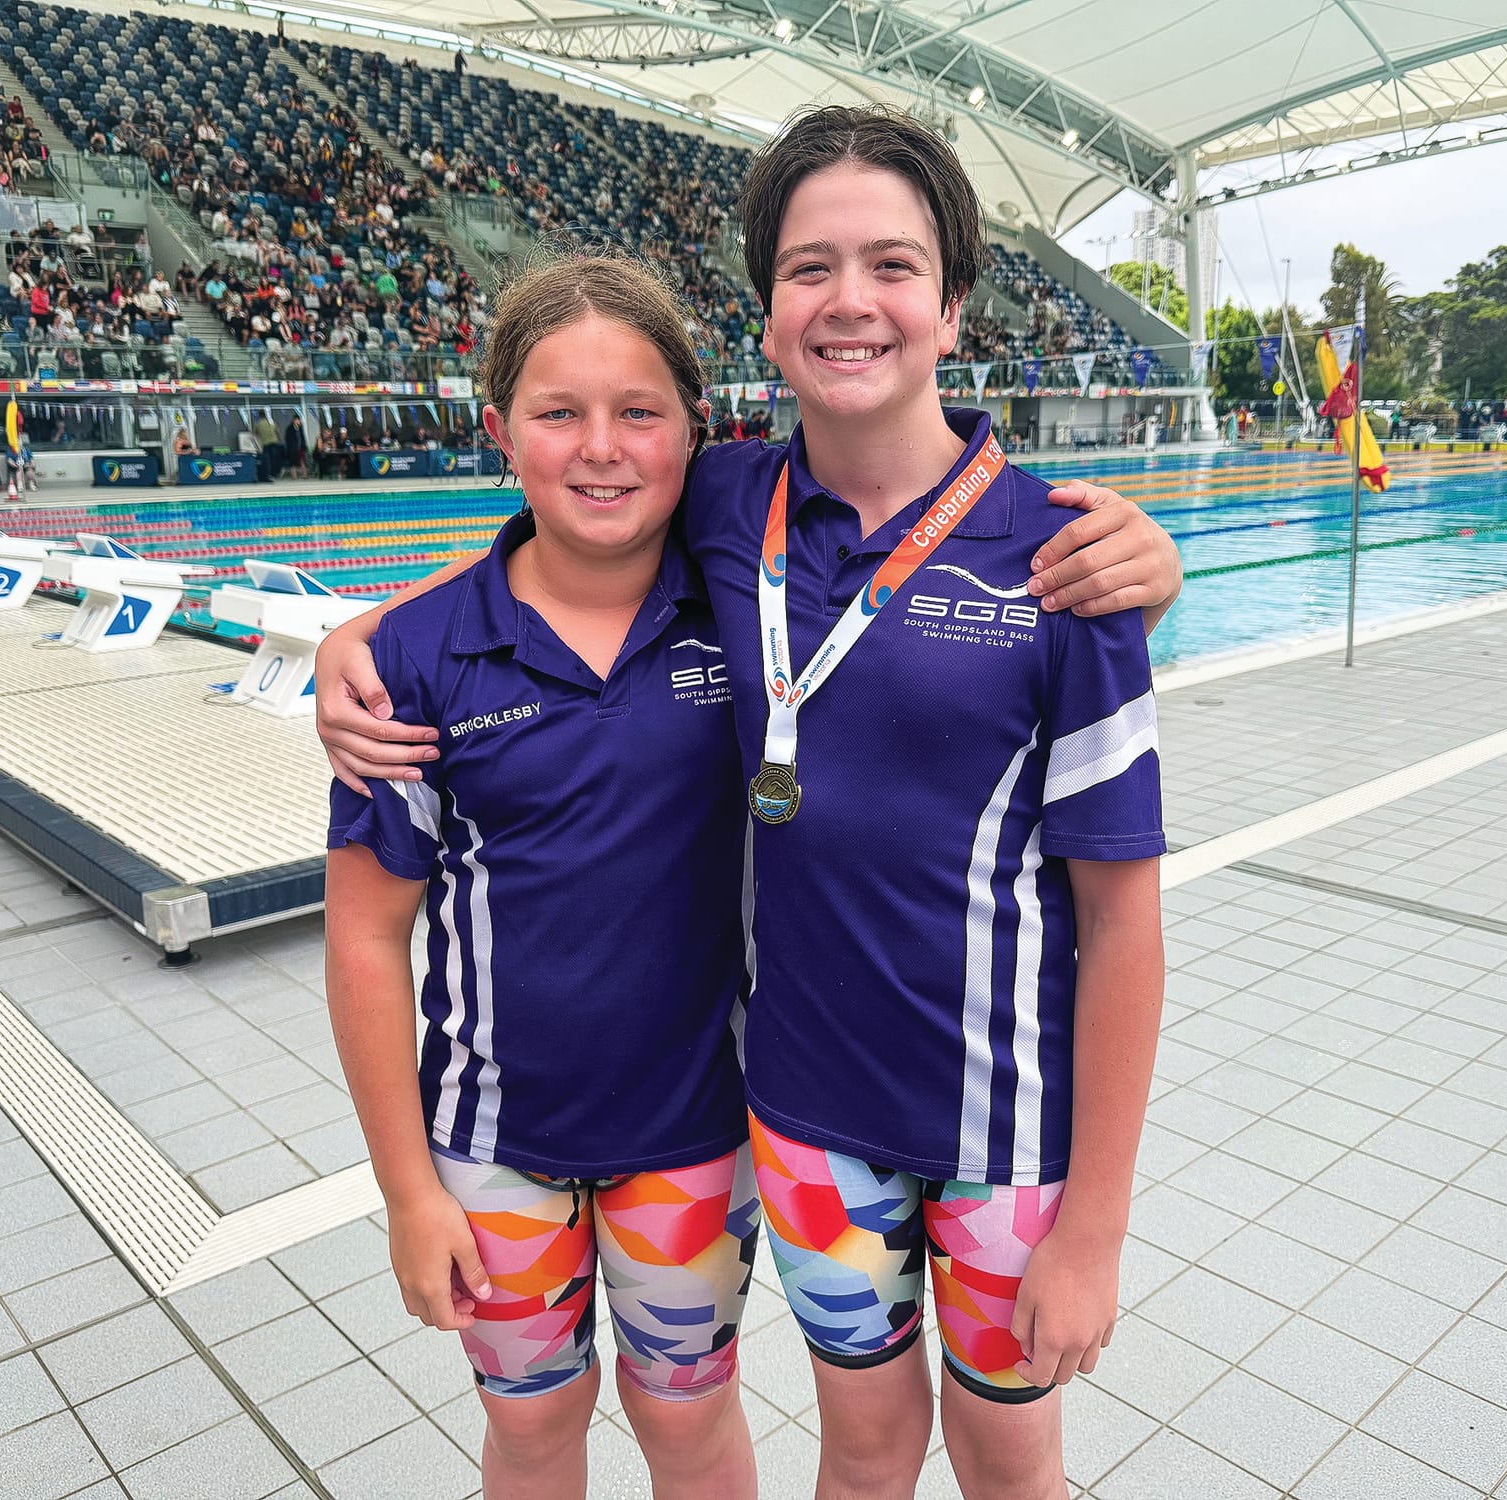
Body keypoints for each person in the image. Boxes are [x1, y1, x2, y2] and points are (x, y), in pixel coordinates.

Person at [316, 109, 1181, 1499]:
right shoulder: (725, 501)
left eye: (892, 265)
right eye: (811, 268)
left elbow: (1125, 924)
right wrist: (340, 647)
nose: (851, 300)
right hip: (803, 1120)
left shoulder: (1064, 566)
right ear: (768, 318)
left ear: (954, 305)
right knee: (865, 1444)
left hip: (1006, 1134)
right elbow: (542, 550)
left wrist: (1099, 1229)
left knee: (1014, 1455)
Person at [326, 251, 759, 1500]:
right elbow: (364, 941)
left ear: (693, 429)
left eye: (638, 412)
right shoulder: (412, 664)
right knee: (531, 1426)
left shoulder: (741, 615)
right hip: (487, 1147)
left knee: (686, 1421)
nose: (601, 449)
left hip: (694, 1131)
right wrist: (407, 1191)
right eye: (557, 413)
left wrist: (1145, 572)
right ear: (500, 431)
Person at [283, 412, 308, 478]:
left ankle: (305, 474)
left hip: (300, 447)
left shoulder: (300, 428)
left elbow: (303, 437)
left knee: (302, 460)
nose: (299, 422)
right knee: (293, 462)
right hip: (293, 448)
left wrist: (304, 445)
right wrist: (292, 446)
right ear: (294, 420)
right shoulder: (290, 428)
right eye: (298, 420)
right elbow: (288, 439)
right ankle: (294, 475)